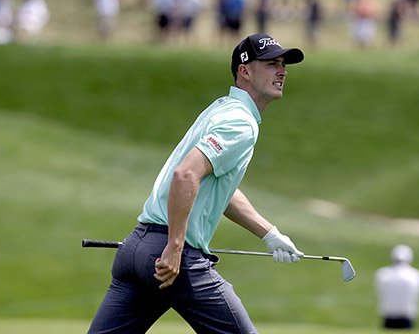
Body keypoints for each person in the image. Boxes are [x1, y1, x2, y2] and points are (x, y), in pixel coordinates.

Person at [88, 33, 305, 334]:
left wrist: (269, 233)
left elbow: (219, 189)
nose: (281, 71)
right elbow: (185, 175)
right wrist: (175, 246)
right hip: (171, 255)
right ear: (245, 71)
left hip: (136, 247)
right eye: (270, 64)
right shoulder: (240, 121)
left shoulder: (222, 109)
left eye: (283, 64)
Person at [375, 244, 419, 330]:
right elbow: (418, 294)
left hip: (388, 316)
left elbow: (379, 292)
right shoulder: (416, 275)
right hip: (407, 317)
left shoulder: (382, 274)